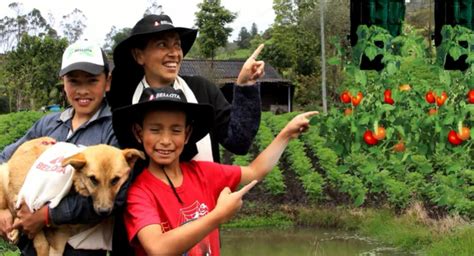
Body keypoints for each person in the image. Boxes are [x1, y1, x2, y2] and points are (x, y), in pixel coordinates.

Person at [111, 86, 317, 256]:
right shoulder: (139, 192)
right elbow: (157, 248)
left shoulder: (203, 173)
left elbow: (255, 171)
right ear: (139, 133)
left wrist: (285, 134)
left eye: (176, 130)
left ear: (187, 133)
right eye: (155, 130)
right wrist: (218, 216)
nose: (165, 141)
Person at [0, 40, 119, 256]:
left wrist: (47, 216)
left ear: (107, 81)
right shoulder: (48, 125)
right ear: (63, 83)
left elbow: (119, 196)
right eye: (73, 81)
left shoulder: (114, 130)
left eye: (92, 81)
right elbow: (5, 159)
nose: (82, 90)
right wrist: (1, 210)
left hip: (80, 250)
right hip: (32, 248)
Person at [107, 14, 264, 163]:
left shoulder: (201, 90)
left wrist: (245, 85)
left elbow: (238, 142)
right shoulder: (126, 105)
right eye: (162, 45)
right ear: (139, 55)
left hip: (208, 191)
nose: (174, 53)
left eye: (177, 45)